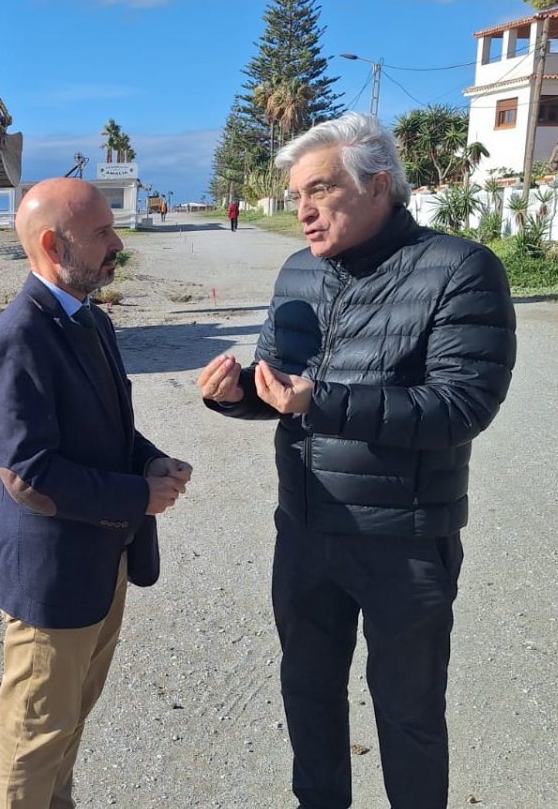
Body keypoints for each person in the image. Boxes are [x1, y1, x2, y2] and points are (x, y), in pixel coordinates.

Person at [196, 113, 516, 809]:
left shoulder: (460, 269)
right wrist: (235, 396)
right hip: (307, 530)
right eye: (296, 194)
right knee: (307, 696)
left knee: (409, 715)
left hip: (404, 541)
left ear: (378, 185)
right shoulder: (297, 272)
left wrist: (325, 401)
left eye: (321, 190)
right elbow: (282, 387)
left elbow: (463, 407)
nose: (302, 211)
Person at [0, 177, 192, 808]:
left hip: (101, 565)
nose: (116, 243)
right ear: (51, 244)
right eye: (100, 233)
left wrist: (150, 460)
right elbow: (28, 474)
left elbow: (104, 423)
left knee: (68, 722)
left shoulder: (87, 317)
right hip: (54, 581)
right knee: (33, 738)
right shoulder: (22, 336)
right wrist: (136, 497)